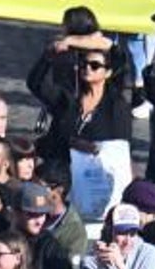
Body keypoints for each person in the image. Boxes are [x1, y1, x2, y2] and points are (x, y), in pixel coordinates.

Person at [27, 31, 131, 168]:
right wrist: (47, 58)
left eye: (95, 66)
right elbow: (36, 83)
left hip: (95, 171)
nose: (87, 68)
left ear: (107, 72)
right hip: (59, 169)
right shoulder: (68, 99)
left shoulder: (115, 106)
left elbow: (119, 146)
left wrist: (70, 40)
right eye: (84, 64)